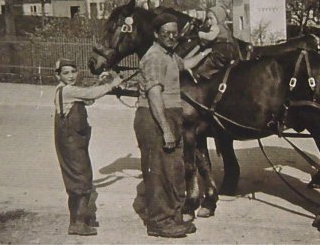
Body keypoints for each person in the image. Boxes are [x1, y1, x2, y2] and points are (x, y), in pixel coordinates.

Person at [133, 13, 210, 238]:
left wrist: (207, 51)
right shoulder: (154, 57)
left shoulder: (170, 55)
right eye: (166, 33)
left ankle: (172, 216)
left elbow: (185, 64)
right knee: (158, 172)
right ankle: (159, 222)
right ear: (156, 34)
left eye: (174, 33)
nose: (171, 37)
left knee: (173, 170)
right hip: (155, 118)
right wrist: (166, 129)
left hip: (171, 117)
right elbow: (154, 95)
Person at [53, 58, 122, 236]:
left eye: (73, 72)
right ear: (58, 76)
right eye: (65, 73)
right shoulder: (66, 90)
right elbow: (91, 94)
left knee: (83, 178)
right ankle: (77, 224)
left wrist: (102, 81)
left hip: (75, 141)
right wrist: (112, 83)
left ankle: (81, 219)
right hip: (71, 143)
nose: (70, 76)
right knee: (80, 180)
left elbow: (87, 97)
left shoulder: (71, 91)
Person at [191, 6, 238, 81]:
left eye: (211, 18)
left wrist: (200, 34)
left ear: (218, 18)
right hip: (230, 51)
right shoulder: (226, 28)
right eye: (208, 19)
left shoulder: (216, 27)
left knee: (206, 66)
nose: (209, 21)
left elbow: (210, 37)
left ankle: (203, 79)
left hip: (220, 51)